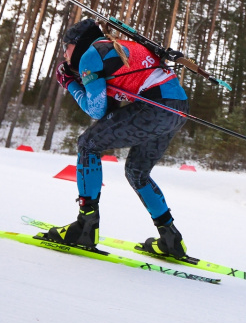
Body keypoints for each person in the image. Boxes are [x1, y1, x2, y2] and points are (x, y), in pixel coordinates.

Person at [36, 17, 192, 258]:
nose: (65, 55)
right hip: (177, 109)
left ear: (78, 43)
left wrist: (69, 83)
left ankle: (85, 227)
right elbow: (111, 104)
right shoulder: (118, 46)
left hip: (156, 107)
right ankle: (171, 239)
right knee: (137, 173)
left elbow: (96, 110)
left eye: (66, 47)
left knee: (87, 144)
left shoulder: (91, 55)